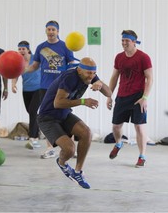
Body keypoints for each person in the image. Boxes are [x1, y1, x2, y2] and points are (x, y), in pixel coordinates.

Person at [37, 57, 112, 189]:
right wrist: (83, 101)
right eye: (89, 72)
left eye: (94, 73)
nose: (92, 76)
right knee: (69, 149)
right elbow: (58, 103)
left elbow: (109, 92)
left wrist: (99, 83)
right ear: (79, 70)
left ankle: (78, 172)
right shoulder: (69, 77)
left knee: (86, 133)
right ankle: (62, 163)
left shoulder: (91, 76)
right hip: (47, 117)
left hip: (63, 114)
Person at [27, 20, 75, 159]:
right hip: (45, 88)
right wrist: (21, 70)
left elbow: (72, 66)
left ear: (58, 31)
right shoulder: (41, 47)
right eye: (48, 29)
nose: (51, 32)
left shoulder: (66, 46)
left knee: (66, 116)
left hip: (63, 88)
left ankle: (72, 148)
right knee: (47, 118)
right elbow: (34, 66)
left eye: (53, 29)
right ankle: (50, 148)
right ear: (46, 31)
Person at [106, 30, 153, 168]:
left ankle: (142, 156)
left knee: (139, 127)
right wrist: (109, 95)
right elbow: (114, 77)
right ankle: (118, 143)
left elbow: (150, 78)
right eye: (122, 40)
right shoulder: (119, 57)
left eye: (127, 40)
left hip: (138, 97)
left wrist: (145, 97)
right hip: (122, 96)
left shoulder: (143, 57)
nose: (124, 43)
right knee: (116, 126)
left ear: (134, 42)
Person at [12, 41, 41, 149]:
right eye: (19, 49)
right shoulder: (18, 61)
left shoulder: (36, 58)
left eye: (23, 49)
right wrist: (13, 85)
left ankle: (33, 138)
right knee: (31, 112)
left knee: (33, 111)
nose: (21, 51)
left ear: (28, 49)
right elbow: (15, 74)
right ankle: (37, 135)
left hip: (38, 89)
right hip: (26, 90)